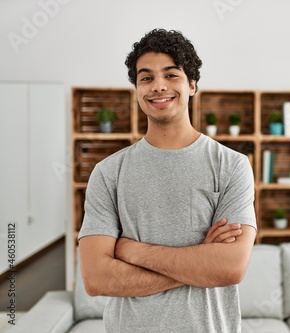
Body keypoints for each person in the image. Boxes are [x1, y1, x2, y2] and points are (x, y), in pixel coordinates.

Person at [78, 28, 257, 333]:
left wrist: (133, 252)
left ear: (192, 85)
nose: (158, 86)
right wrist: (199, 264)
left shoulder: (232, 166)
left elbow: (230, 267)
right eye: (146, 78)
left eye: (171, 75)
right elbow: (96, 279)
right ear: (137, 88)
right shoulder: (108, 173)